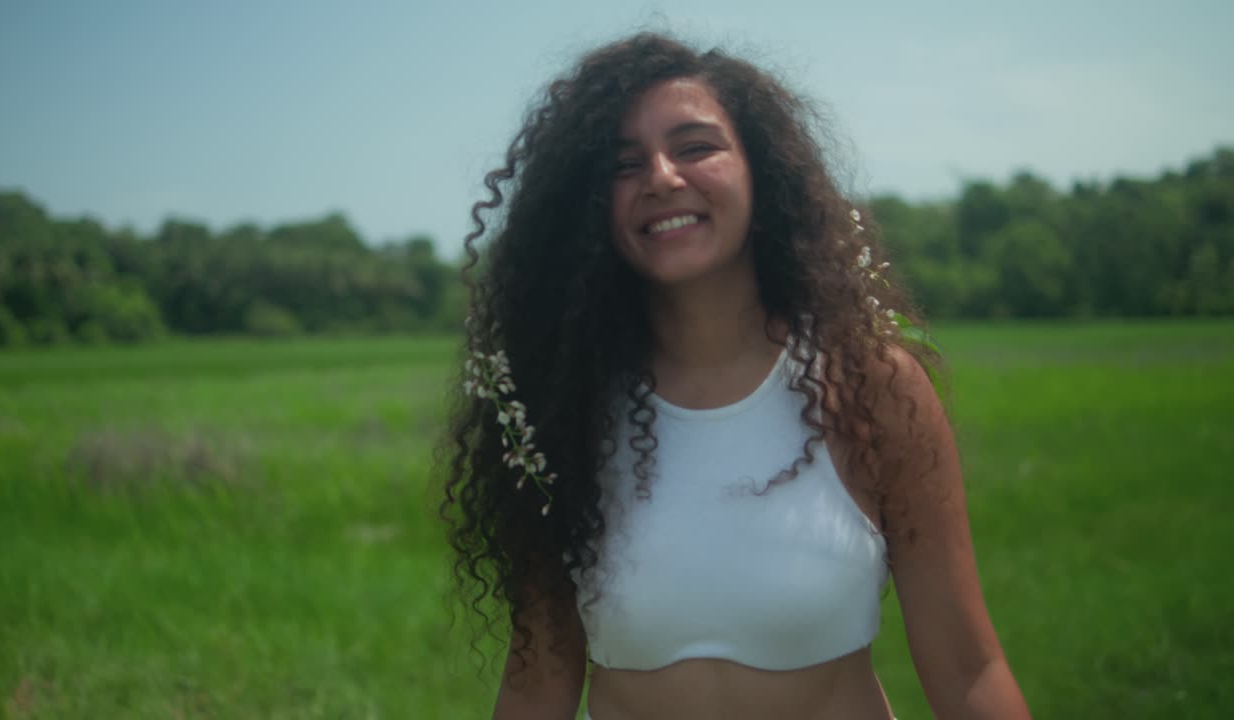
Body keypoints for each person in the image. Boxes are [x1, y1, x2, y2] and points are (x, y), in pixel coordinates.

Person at [440, 32, 1030, 720]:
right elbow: (537, 679)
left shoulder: (874, 389)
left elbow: (967, 670)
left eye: (696, 147)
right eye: (623, 165)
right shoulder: (558, 415)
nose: (661, 177)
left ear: (763, 172)